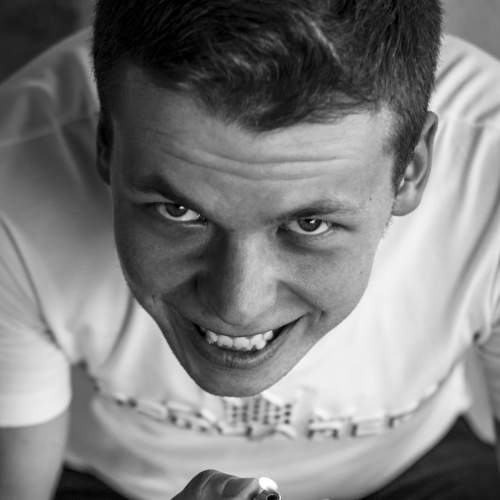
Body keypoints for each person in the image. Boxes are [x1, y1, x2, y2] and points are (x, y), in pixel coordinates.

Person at [1, 1, 500, 499]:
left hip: (405, 470)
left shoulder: (491, 173)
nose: (238, 307)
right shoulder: (11, 173)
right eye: (178, 211)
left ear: (410, 167)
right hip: (106, 477)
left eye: (309, 224)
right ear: (107, 142)